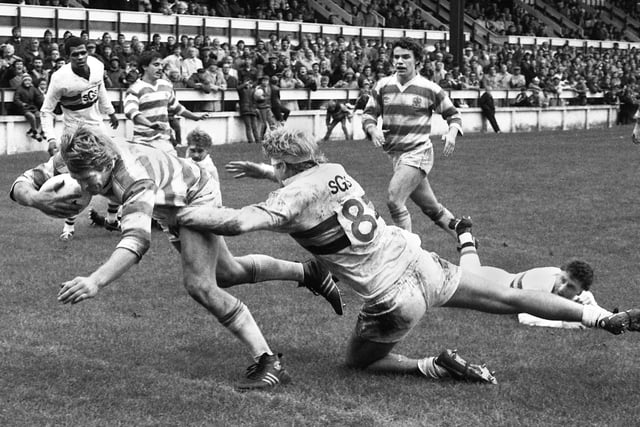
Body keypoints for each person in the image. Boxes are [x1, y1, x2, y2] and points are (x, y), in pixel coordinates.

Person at [176, 127, 640, 385]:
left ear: (283, 166)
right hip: (418, 260)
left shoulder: (291, 196)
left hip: (391, 297)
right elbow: (301, 184)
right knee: (508, 296)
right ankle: (601, 319)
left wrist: (186, 211)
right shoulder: (333, 168)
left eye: (272, 164)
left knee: (358, 363)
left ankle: (430, 366)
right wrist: (267, 172)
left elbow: (239, 222)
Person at [9, 126, 345, 391]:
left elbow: (137, 240)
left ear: (107, 163)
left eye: (87, 180)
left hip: (195, 197)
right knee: (227, 273)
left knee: (200, 285)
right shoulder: (75, 157)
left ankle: (268, 361)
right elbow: (20, 184)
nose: (83, 187)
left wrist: (95, 280)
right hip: (173, 205)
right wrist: (37, 199)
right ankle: (309, 272)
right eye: (77, 178)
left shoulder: (133, 176)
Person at [362, 38, 462, 240]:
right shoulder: (383, 86)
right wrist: (373, 130)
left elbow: (454, 115)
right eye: (396, 57)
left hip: (418, 153)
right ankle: (466, 236)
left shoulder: (429, 88)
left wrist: (451, 134)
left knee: (394, 200)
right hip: (396, 157)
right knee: (431, 209)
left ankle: (408, 252)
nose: (399, 61)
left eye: (406, 57)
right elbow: (368, 115)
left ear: (418, 62)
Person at [39, 36, 120, 241]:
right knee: (78, 179)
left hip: (97, 129)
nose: (81, 57)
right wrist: (50, 138)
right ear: (68, 57)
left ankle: (111, 218)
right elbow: (46, 111)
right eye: (76, 54)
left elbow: (100, 89)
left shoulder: (97, 65)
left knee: (116, 168)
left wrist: (109, 111)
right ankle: (69, 226)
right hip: (74, 134)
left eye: (84, 52)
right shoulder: (59, 79)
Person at [455, 218, 599, 329]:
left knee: (471, 269)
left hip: (503, 278)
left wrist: (606, 316)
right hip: (490, 283)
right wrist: (564, 324)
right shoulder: (541, 283)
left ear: (580, 291)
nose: (562, 288)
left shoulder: (581, 292)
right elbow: (526, 318)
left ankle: (469, 243)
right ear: (560, 272)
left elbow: (590, 301)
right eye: (563, 280)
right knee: (466, 274)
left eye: (571, 287)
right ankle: (464, 235)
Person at [123, 51, 208, 156]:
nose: (160, 68)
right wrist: (149, 124)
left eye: (161, 65)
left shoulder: (166, 85)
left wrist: (194, 116)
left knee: (177, 170)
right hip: (143, 143)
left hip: (164, 141)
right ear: (144, 67)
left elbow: (176, 107)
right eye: (156, 64)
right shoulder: (135, 88)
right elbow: (131, 112)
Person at [13, 74, 44, 142]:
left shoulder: (33, 89)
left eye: (29, 80)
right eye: (26, 80)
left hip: (32, 107)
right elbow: (16, 99)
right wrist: (21, 104)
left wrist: (42, 103)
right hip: (23, 108)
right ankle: (35, 133)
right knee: (31, 116)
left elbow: (38, 98)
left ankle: (31, 131)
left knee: (39, 115)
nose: (27, 82)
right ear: (23, 81)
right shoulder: (19, 89)